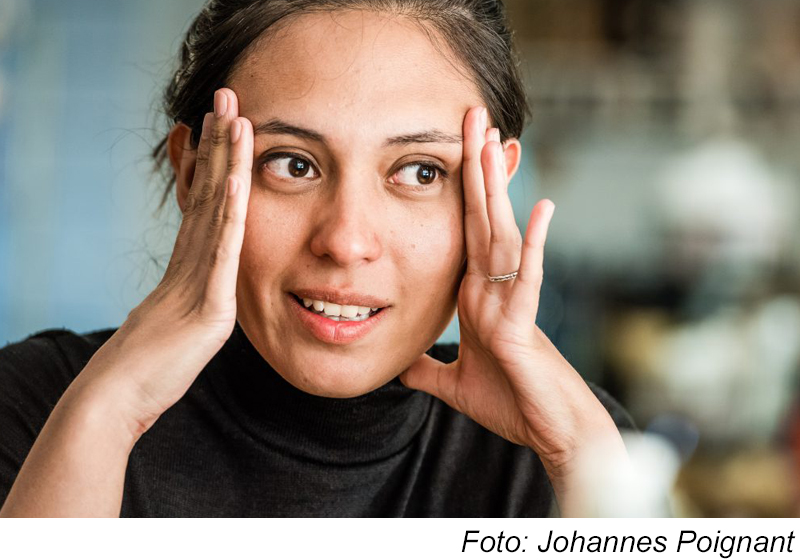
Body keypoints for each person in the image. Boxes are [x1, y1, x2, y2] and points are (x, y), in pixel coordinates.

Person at [0, 0, 634, 517]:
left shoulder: (560, 451)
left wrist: (583, 455)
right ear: (197, 175)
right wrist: (108, 413)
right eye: (293, 164)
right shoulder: (33, 407)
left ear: (489, 190)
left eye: (419, 171)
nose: (346, 240)